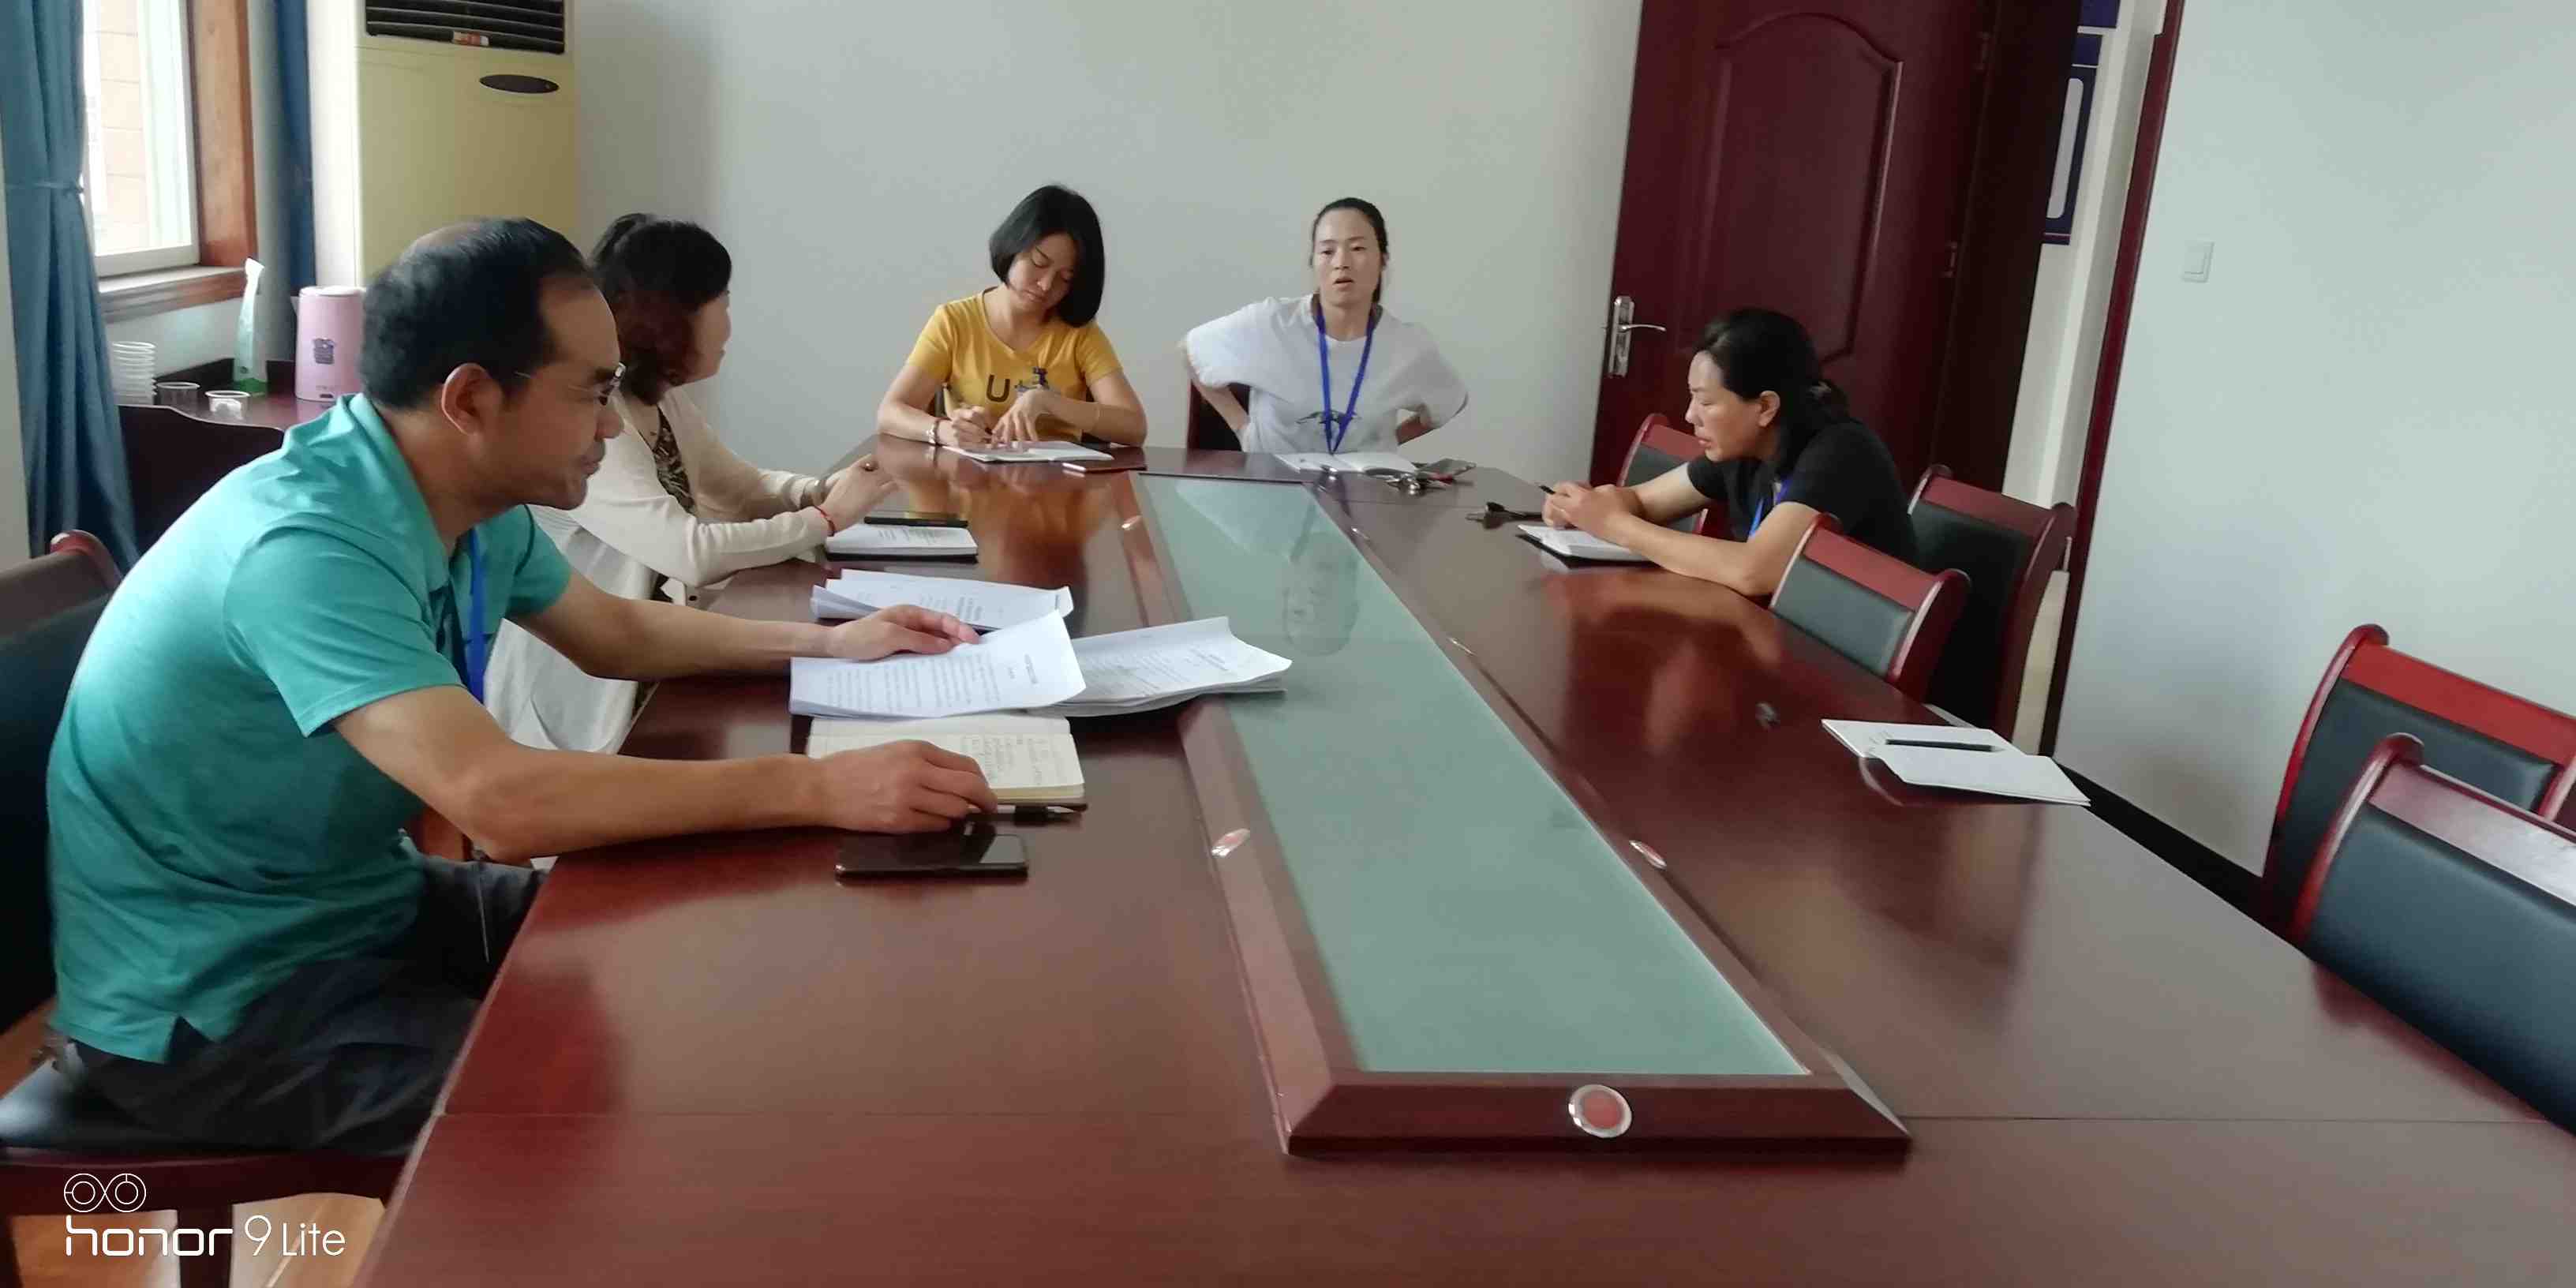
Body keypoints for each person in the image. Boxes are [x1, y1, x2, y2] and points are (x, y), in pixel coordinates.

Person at [43, 219, 998, 1154]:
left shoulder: (463, 496)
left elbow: (616, 632)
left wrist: (833, 646)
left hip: (351, 904)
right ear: (470, 399)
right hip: (214, 995)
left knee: (690, 963)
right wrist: (818, 786)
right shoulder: (305, 546)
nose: (610, 424)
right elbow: (506, 806)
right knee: (596, 1111)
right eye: (592, 392)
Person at [485, 215, 893, 752]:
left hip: (646, 656)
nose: (729, 323)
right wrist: (827, 519)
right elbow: (690, 553)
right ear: (672, 316)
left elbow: (741, 488)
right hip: (578, 704)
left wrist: (818, 490)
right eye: (722, 302)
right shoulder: (596, 419)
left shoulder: (657, 400)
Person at [1541, 308, 1915, 596]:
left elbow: (1754, 571)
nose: (1690, 416)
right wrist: (1587, 506)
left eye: (1706, 402)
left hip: (1847, 665)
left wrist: (1614, 525)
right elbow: (1639, 501)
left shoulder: (1841, 452)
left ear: (1765, 407)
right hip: (1771, 635)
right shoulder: (1743, 448)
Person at [1184, 197, 1470, 455]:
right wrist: (1243, 428)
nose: (1341, 262)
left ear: (1383, 260)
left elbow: (1450, 401)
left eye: (1357, 248)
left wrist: (1387, 444)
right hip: (1274, 483)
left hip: (1364, 490)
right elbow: (1190, 351)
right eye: (1327, 251)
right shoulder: (1271, 324)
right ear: (1313, 262)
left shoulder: (1407, 346)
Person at [875, 185, 1146, 449]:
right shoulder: (954, 322)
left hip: (1056, 477)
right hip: (970, 474)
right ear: (1014, 245)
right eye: (1039, 263)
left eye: (1065, 278)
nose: (1046, 285)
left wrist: (1047, 401)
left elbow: (1134, 427)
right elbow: (890, 412)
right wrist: (943, 431)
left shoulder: (1078, 335)